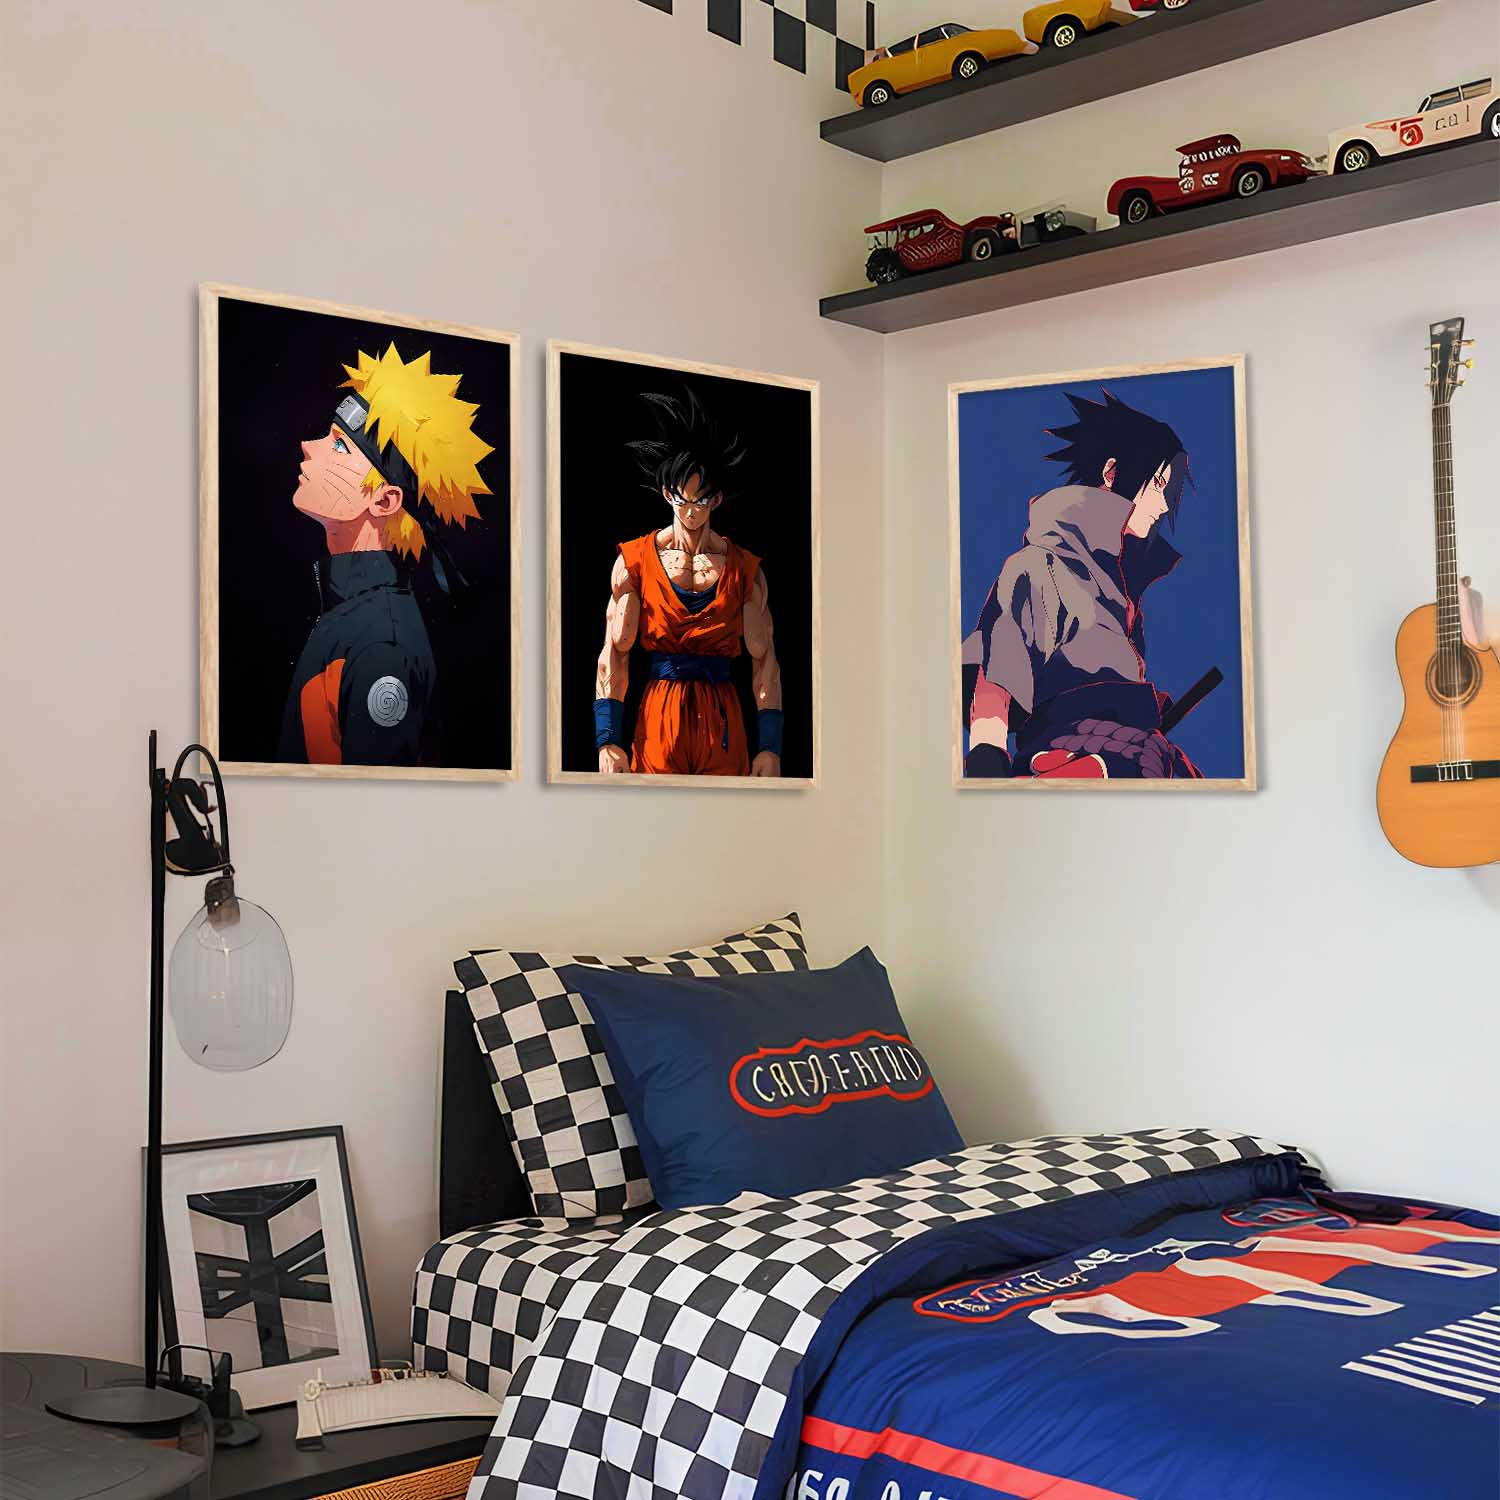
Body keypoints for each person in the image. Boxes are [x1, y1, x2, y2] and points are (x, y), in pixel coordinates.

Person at [962, 389, 1203, 780]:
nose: (1162, 505)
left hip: (1135, 751)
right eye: (1158, 484)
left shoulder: (1123, 592)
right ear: (1111, 473)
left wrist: (1146, 706)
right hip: (1072, 751)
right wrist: (987, 759)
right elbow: (996, 673)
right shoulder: (1037, 566)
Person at [277, 344, 492, 767]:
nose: (308, 446)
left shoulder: (382, 645)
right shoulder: (352, 615)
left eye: (340, 446)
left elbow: (375, 797)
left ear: (385, 500)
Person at [594, 389, 782, 776]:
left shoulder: (744, 569)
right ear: (668, 494)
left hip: (722, 718)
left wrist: (770, 747)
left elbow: (765, 661)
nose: (691, 511)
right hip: (659, 717)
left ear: (716, 500)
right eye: (683, 500)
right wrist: (608, 739)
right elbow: (614, 652)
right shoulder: (634, 562)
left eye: (701, 501)